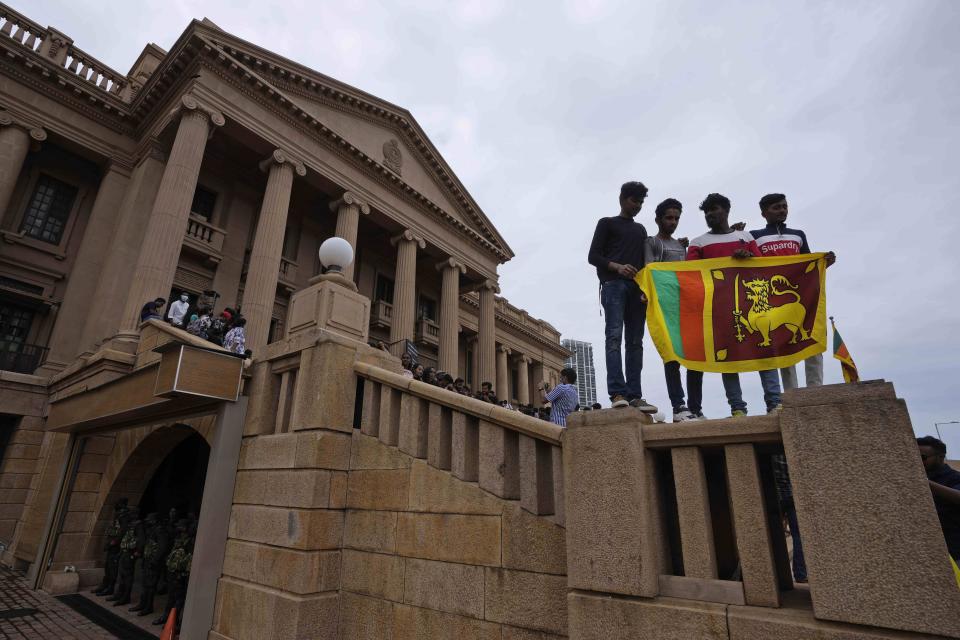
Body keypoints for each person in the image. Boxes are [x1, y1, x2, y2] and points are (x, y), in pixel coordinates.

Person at [686, 193, 782, 416]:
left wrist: (748, 255)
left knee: (764, 348)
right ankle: (737, 407)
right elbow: (690, 274)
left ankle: (775, 402)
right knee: (728, 356)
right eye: (707, 211)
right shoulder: (698, 242)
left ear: (727, 210)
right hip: (719, 307)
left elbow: (763, 266)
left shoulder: (745, 237)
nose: (710, 214)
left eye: (715, 209)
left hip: (753, 304)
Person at [750, 194, 836, 391]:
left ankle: (815, 390)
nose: (781, 210)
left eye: (784, 206)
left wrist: (824, 263)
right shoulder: (755, 235)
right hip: (775, 300)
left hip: (802, 296)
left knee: (811, 338)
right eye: (775, 207)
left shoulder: (798, 234)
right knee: (784, 342)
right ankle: (792, 392)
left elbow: (808, 265)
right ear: (764, 213)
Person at [587, 181, 657, 412]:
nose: (637, 206)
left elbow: (647, 262)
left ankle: (635, 395)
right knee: (614, 337)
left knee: (636, 342)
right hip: (613, 285)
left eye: (640, 202)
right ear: (622, 199)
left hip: (637, 289)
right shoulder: (606, 223)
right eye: (633, 200)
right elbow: (593, 256)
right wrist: (617, 267)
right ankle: (617, 392)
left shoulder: (640, 230)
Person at [645, 198, 697, 422]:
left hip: (683, 307)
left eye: (676, 218)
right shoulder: (652, 242)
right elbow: (650, 271)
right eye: (669, 218)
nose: (673, 222)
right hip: (663, 308)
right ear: (658, 219)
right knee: (671, 358)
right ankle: (678, 405)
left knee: (694, 356)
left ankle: (695, 406)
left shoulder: (681, 245)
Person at [917, 436, 960, 561]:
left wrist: (926, 484)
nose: (919, 461)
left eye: (923, 457)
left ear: (940, 457)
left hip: (956, 550)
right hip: (934, 552)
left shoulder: (954, 477)